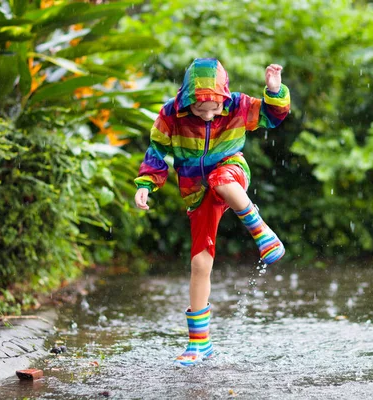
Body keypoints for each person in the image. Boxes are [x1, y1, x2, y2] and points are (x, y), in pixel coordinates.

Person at [133, 58, 290, 367]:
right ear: (187, 100)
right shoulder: (170, 114)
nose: (207, 116)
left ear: (224, 96)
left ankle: (262, 232)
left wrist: (274, 90)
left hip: (232, 173)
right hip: (196, 189)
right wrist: (147, 185)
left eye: (214, 110)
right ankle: (199, 343)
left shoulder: (238, 106)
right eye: (199, 110)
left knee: (221, 179)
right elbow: (156, 152)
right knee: (199, 261)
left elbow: (274, 116)